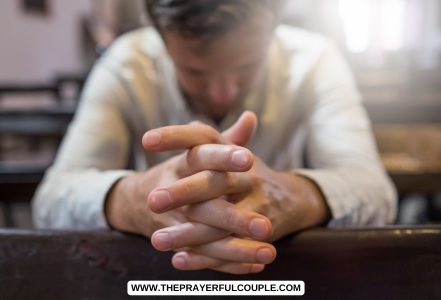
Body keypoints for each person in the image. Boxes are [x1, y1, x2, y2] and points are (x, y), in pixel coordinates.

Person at [32, 0, 397, 274]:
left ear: (274, 23)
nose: (223, 94)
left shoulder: (315, 59)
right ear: (159, 37)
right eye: (194, 71)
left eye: (246, 66)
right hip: (156, 278)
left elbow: (374, 189)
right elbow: (50, 200)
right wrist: (133, 200)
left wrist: (297, 196)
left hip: (283, 275)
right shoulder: (126, 64)